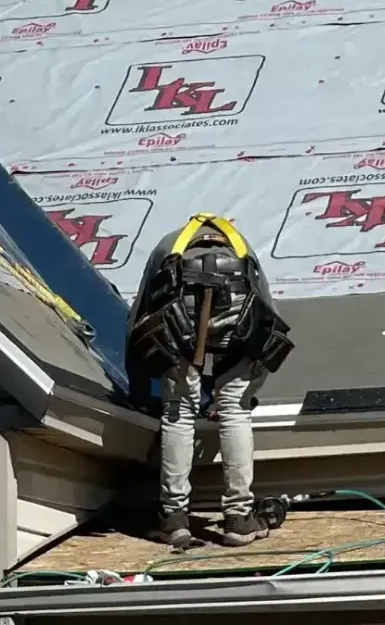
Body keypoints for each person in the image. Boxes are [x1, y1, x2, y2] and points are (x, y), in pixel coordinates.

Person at [126, 214, 294, 549]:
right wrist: (250, 384)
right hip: (236, 314)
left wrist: (144, 382)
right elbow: (266, 312)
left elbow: (141, 312)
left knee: (179, 411)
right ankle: (239, 519)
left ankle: (174, 520)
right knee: (235, 411)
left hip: (180, 315)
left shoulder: (167, 244)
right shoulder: (241, 244)